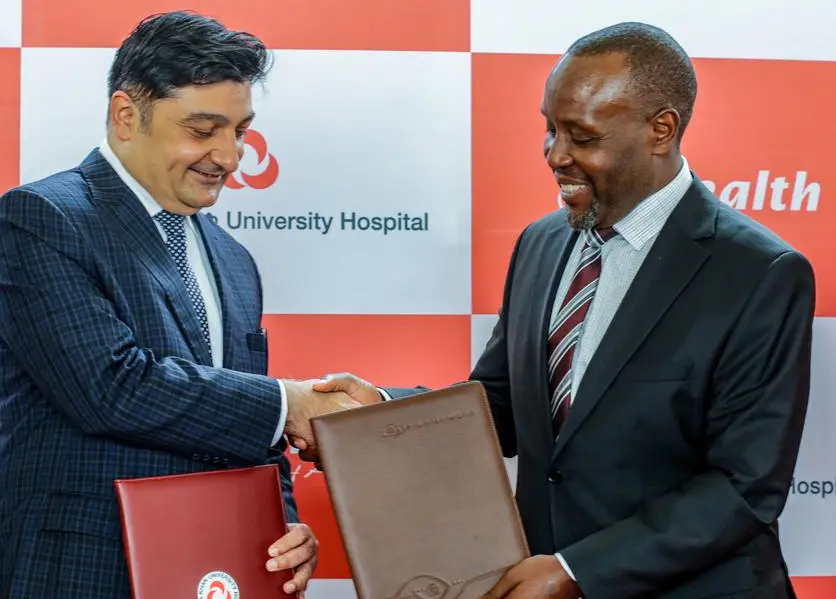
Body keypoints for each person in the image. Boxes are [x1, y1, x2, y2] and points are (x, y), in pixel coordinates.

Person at [301, 21, 815, 599]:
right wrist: (381, 410)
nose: (555, 154)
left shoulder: (758, 272)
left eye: (582, 137)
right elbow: (500, 407)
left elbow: (744, 487)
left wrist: (576, 570)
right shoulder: (541, 243)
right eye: (550, 128)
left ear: (661, 130)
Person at [0, 11, 356, 599]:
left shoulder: (234, 260)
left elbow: (242, 421)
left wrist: (282, 524)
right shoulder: (42, 218)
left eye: (240, 131)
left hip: (208, 573)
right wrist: (287, 403)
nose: (230, 156)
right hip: (74, 573)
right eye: (203, 130)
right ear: (127, 115)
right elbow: (108, 387)